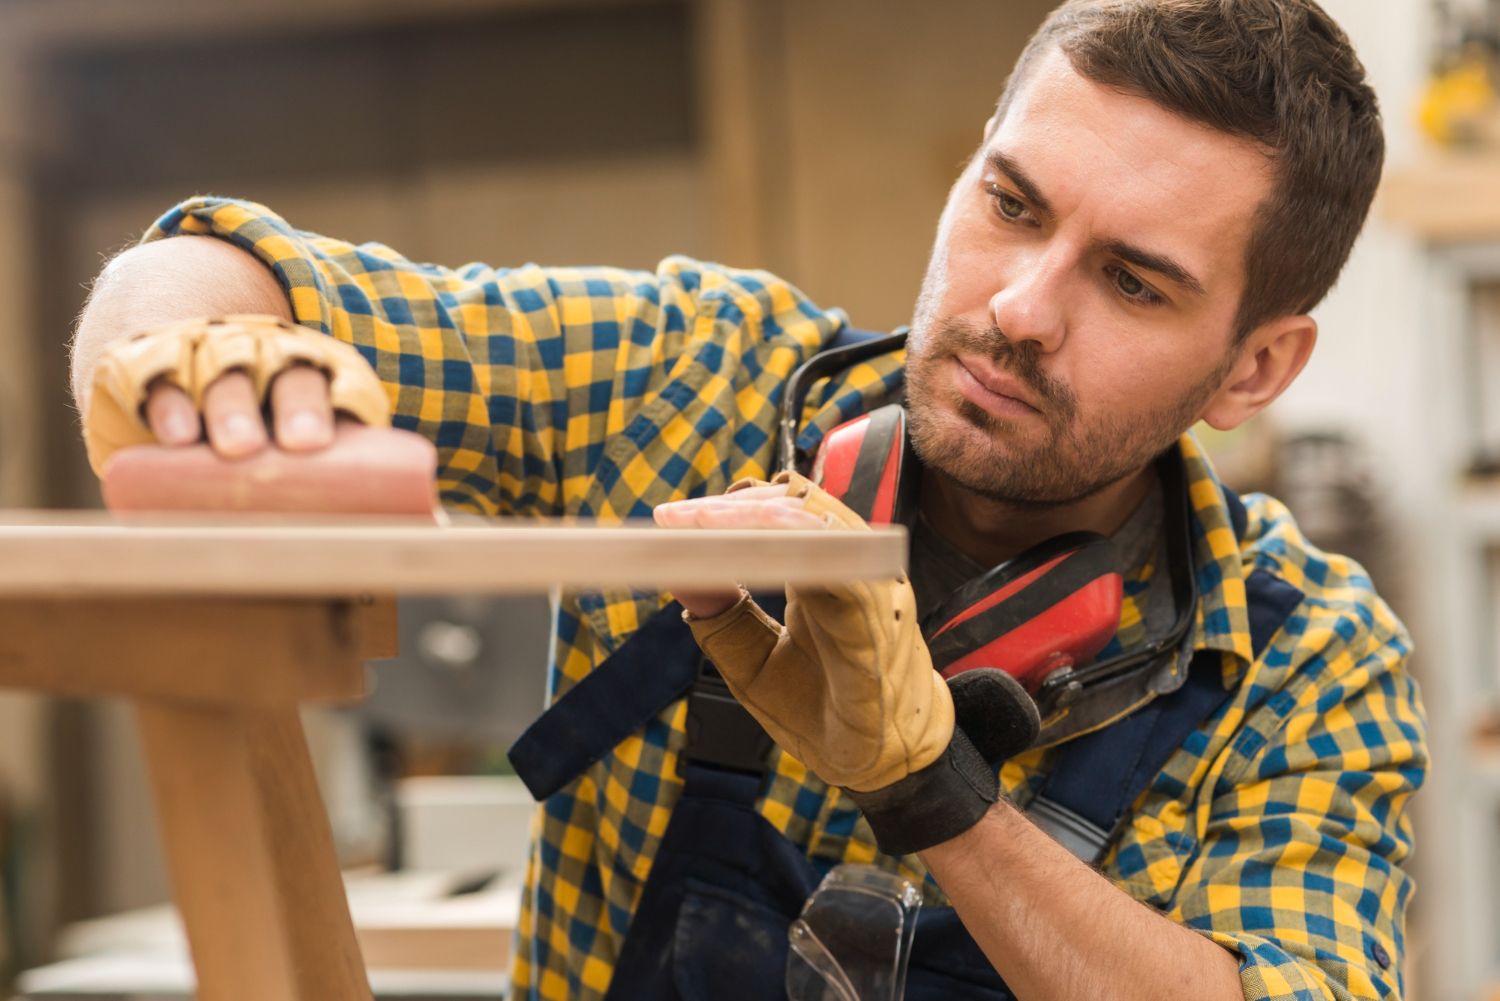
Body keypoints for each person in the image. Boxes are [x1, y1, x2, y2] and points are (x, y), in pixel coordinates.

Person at [69, 1, 1426, 999]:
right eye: (1010, 202)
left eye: (1131, 281)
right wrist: (201, 365)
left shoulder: (1307, 655)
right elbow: (200, 263)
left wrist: (934, 791)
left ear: (1255, 365)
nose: (1019, 308)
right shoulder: (686, 379)